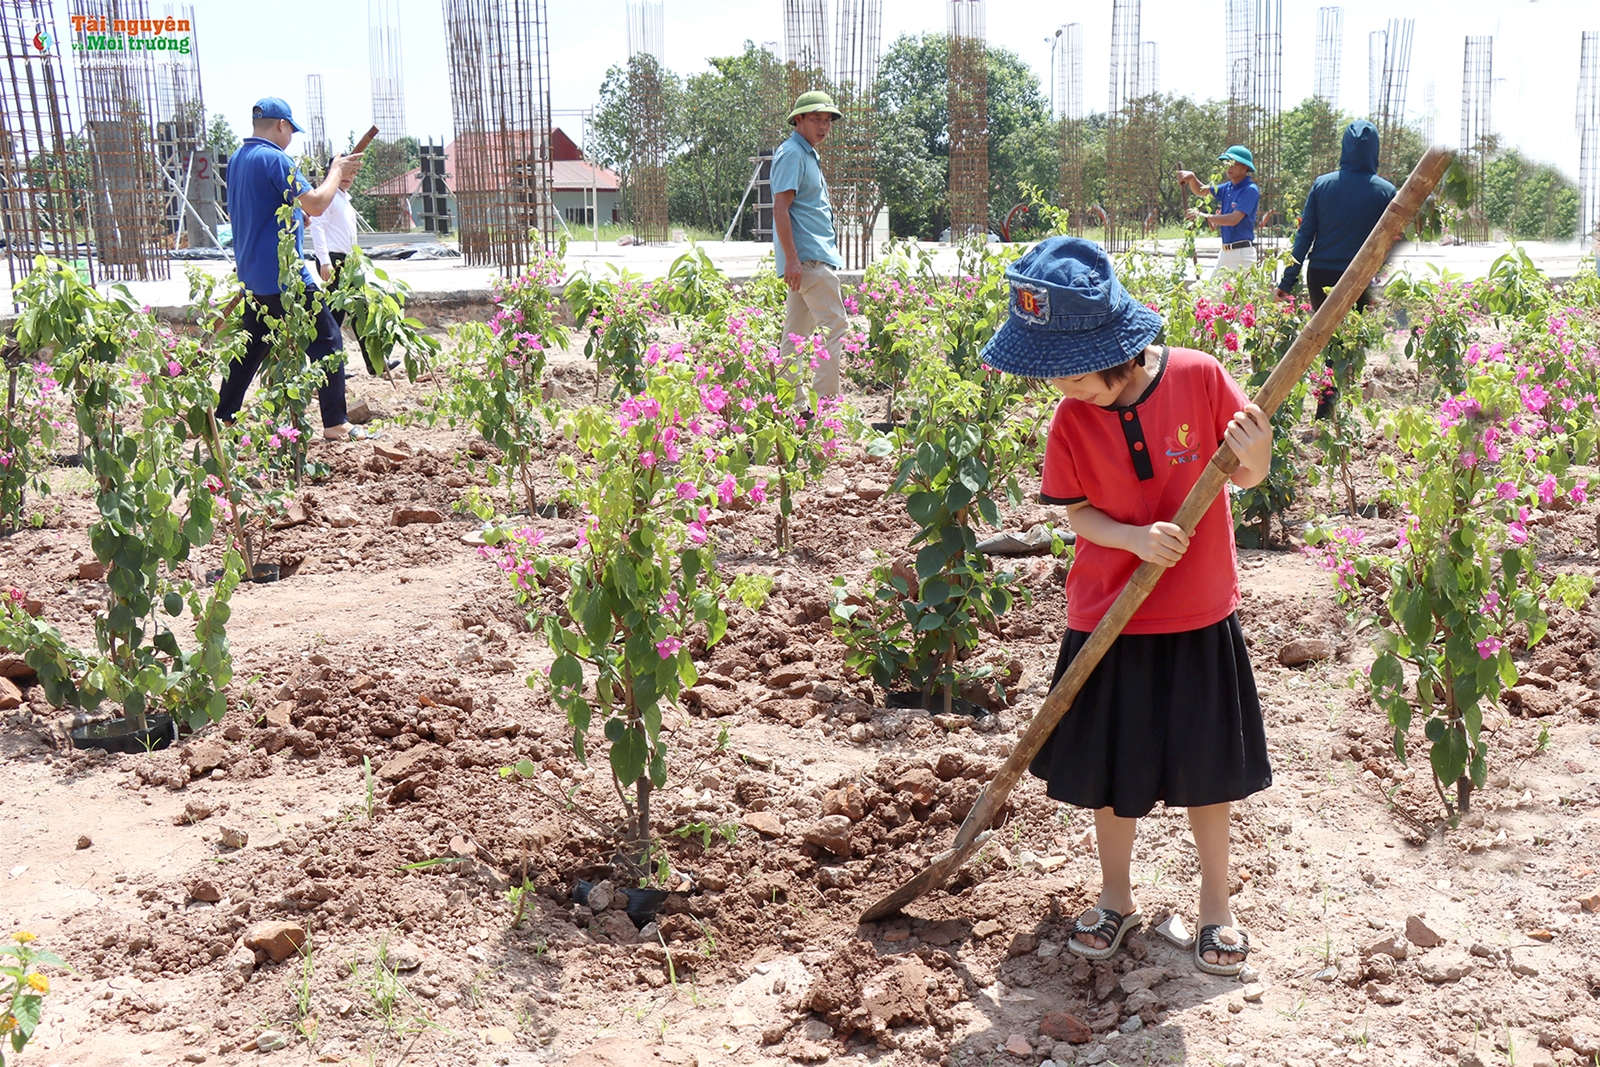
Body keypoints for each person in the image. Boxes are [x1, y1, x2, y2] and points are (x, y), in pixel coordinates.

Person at [979, 236, 1274, 976]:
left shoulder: (1202, 379)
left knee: (1209, 769)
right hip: (1108, 617)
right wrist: (1134, 538)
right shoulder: (1070, 419)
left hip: (1197, 612)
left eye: (1070, 371)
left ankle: (1216, 904)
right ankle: (1115, 894)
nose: (1061, 388)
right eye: (1050, 375)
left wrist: (1259, 451)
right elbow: (1078, 514)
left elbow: (1248, 476)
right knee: (1115, 771)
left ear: (1119, 349)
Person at [216, 97, 365, 439]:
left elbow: (267, 207)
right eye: (291, 131)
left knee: (252, 344)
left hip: (253, 274)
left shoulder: (239, 159)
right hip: (284, 275)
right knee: (328, 342)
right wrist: (336, 173)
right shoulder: (275, 158)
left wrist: (299, 218)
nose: (291, 138)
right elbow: (316, 200)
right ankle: (336, 423)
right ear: (281, 125)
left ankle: (224, 414)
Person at [771, 90, 848, 403]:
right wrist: (792, 259)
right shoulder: (792, 153)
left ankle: (793, 405)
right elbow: (780, 208)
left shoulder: (805, 155)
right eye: (816, 118)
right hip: (809, 262)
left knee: (794, 336)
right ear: (798, 119)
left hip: (806, 263)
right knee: (835, 327)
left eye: (828, 120)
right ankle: (826, 405)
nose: (823, 126)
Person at [1273, 120, 1396, 311]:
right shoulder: (1386, 192)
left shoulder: (1322, 185)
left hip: (1320, 275)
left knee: (1324, 339)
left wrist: (1287, 282)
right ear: (1374, 149)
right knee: (1355, 339)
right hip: (1359, 275)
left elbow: (1305, 236)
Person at [307, 162, 399, 377]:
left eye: (353, 173)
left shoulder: (343, 198)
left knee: (359, 312)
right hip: (335, 262)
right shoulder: (327, 197)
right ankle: (325, 367)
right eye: (344, 172)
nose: (348, 177)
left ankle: (373, 363)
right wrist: (325, 261)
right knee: (333, 316)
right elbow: (317, 228)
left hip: (348, 263)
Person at [1177, 146, 1261, 277]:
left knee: (1239, 296)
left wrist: (1203, 216)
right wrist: (1192, 178)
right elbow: (1201, 191)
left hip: (1242, 254)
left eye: (1234, 163)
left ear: (1245, 167)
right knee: (1212, 295)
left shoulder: (1250, 190)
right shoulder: (1227, 187)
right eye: (1227, 163)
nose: (1229, 167)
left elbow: (1233, 219)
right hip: (1225, 253)